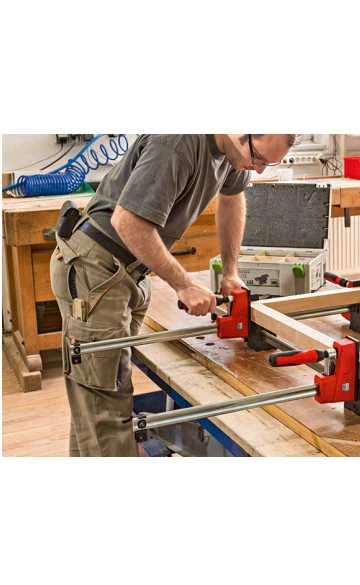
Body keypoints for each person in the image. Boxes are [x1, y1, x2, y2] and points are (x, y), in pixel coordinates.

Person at [50, 134, 296, 456]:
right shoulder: (177, 141)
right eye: (258, 158)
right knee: (104, 402)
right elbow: (127, 222)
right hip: (97, 269)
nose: (259, 169)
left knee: (96, 402)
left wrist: (230, 271)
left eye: (268, 163)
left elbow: (232, 198)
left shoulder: (234, 152)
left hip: (129, 269)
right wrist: (184, 284)